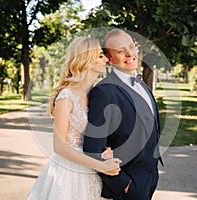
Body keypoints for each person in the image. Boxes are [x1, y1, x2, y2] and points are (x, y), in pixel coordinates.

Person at [27, 37, 121, 200]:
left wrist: (106, 150)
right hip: (68, 174)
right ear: (86, 60)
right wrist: (102, 166)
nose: (106, 58)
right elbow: (59, 147)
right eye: (100, 55)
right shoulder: (66, 97)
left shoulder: (94, 95)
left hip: (90, 170)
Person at [83, 29, 163, 200]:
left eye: (132, 46)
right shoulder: (104, 92)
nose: (130, 53)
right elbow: (93, 148)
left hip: (150, 174)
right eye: (120, 51)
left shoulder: (141, 84)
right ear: (109, 59)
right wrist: (124, 184)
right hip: (128, 182)